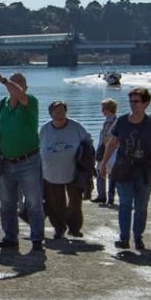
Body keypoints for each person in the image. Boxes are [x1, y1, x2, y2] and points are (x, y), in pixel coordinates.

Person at [101, 87, 151, 251]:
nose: (133, 104)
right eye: (131, 101)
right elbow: (112, 143)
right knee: (125, 204)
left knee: (141, 206)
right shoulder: (122, 121)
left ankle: (138, 237)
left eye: (136, 101)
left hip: (145, 170)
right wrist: (103, 163)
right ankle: (124, 238)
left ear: (146, 103)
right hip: (123, 169)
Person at [0, 69, 44, 250]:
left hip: (29, 161)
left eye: (19, 82)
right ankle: (10, 237)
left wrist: (4, 80)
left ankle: (37, 238)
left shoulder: (30, 101)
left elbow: (19, 94)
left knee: (33, 202)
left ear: (26, 87)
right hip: (6, 162)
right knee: (7, 203)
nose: (15, 85)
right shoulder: (2, 104)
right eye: (14, 81)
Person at [38, 100, 90, 240]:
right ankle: (59, 229)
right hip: (51, 173)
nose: (59, 114)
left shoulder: (76, 126)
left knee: (75, 202)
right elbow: (38, 147)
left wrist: (86, 162)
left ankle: (74, 228)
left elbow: (88, 142)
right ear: (50, 114)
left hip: (74, 172)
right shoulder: (44, 129)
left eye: (62, 111)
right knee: (56, 204)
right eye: (56, 112)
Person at [93, 98, 118, 204]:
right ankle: (101, 195)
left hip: (113, 151)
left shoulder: (117, 122)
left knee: (112, 174)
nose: (102, 111)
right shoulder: (105, 122)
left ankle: (110, 197)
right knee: (99, 172)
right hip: (103, 150)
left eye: (104, 108)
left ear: (109, 109)